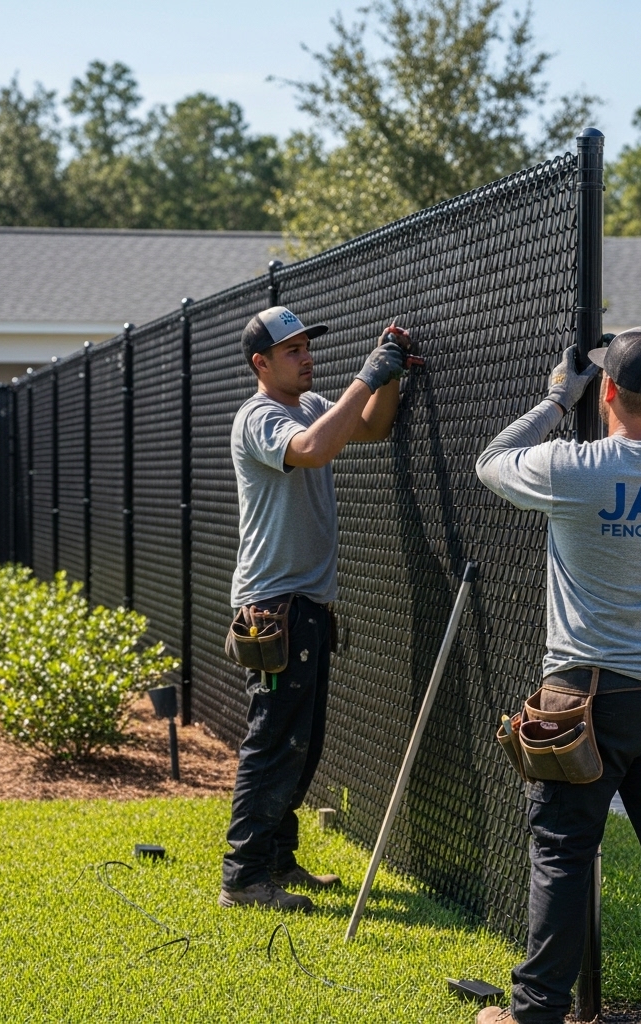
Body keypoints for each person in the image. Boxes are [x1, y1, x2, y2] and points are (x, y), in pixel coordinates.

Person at [474, 328, 641, 1024]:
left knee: (562, 856)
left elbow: (492, 461)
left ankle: (536, 1014)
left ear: (608, 393)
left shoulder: (570, 468)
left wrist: (561, 398)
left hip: (583, 698)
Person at [219, 305, 411, 913]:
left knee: (302, 741)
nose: (306, 357)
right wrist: (366, 374)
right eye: (293, 350)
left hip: (305, 604)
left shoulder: (307, 403)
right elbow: (314, 449)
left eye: (307, 346)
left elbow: (373, 429)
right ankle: (244, 878)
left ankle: (276, 860)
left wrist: (391, 372)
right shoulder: (260, 417)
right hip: (274, 607)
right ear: (262, 362)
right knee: (274, 742)